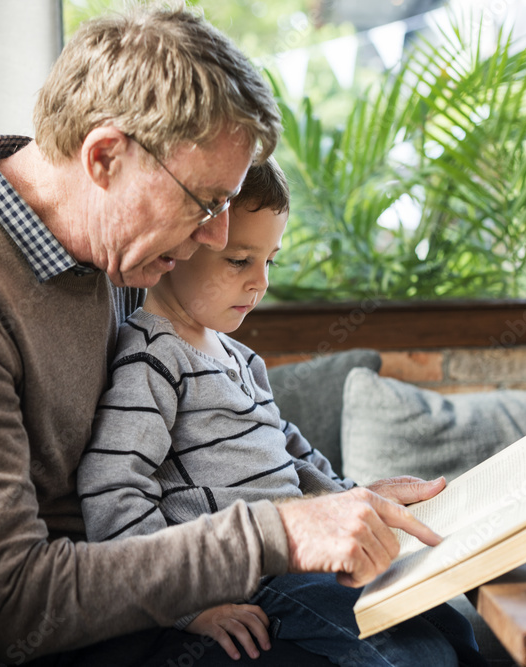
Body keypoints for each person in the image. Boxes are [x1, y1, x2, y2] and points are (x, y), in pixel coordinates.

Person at [0, 6, 449, 665]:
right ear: (104, 156)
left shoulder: (116, 244)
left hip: (163, 583)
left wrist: (338, 499)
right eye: (205, 202)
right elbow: (13, 603)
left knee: (435, 625)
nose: (215, 240)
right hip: (96, 629)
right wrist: (273, 532)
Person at [78, 158, 485, 666]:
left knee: (449, 622)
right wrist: (189, 607)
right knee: (414, 656)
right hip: (251, 577)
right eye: (239, 260)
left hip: (302, 557)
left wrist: (350, 500)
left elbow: (289, 446)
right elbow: (111, 488)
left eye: (270, 261)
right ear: (179, 244)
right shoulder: (153, 357)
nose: (260, 282)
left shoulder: (239, 356)